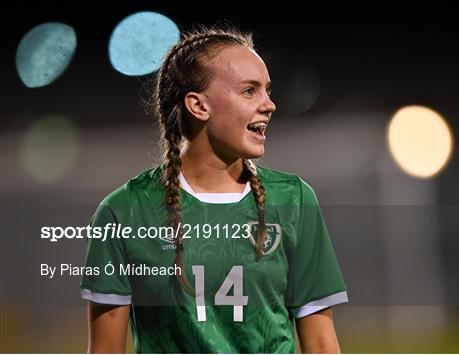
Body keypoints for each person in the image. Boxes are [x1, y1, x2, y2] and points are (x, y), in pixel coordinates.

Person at [80, 25, 348, 353]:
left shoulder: (294, 200)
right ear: (198, 106)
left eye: (267, 90)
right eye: (250, 91)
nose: (269, 104)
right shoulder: (123, 211)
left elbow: (321, 343)